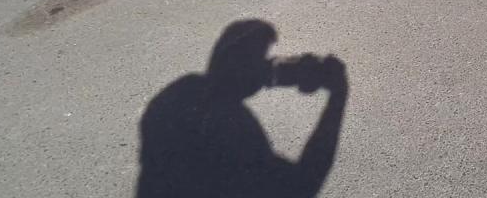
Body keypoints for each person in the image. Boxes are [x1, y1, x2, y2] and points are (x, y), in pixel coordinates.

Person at [135, 20, 349, 198]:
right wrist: (337, 98)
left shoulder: (180, 93)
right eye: (260, 59)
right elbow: (303, 186)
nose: (268, 64)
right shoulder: (232, 124)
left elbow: (233, 77)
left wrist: (277, 72)